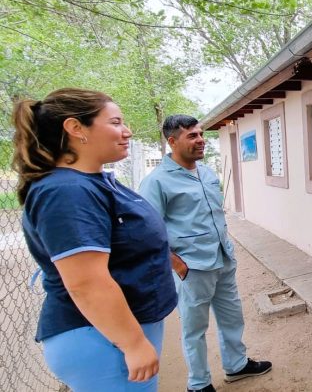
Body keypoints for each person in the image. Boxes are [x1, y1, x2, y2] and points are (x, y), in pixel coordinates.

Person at [12, 88, 178, 391]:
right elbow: (86, 283)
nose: (126, 131)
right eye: (115, 122)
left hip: (117, 333)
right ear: (76, 129)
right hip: (101, 339)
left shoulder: (93, 181)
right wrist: (133, 343)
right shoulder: (66, 191)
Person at [139, 115, 271, 392]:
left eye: (200, 134)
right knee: (194, 329)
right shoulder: (157, 182)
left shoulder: (207, 172)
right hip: (193, 267)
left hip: (222, 258)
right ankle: (198, 384)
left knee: (232, 317)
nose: (200, 141)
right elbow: (147, 232)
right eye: (192, 136)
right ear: (172, 141)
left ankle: (236, 366)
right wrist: (177, 264)